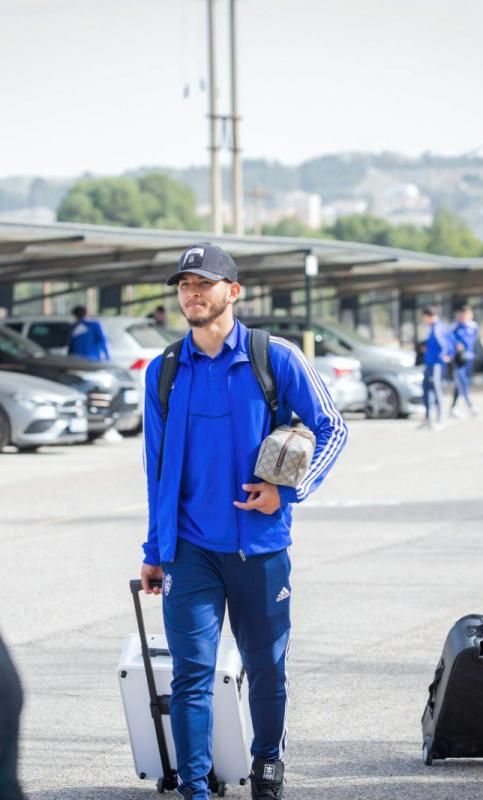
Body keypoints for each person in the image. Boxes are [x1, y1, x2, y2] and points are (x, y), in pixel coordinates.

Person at [139, 243, 347, 800]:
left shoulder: (273, 356)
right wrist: (155, 549)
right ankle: (195, 789)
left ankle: (267, 765)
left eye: (203, 283)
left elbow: (333, 428)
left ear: (233, 291)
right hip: (190, 550)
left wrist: (288, 490)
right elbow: (155, 469)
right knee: (191, 675)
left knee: (266, 668)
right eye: (184, 285)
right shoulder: (164, 371)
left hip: (260, 549)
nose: (192, 293)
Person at [418, 307, 451, 430]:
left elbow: (444, 344)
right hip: (430, 362)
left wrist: (444, 356)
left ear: (428, 316)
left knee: (436, 388)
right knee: (426, 388)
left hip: (435, 363)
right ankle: (428, 418)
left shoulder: (437, 328)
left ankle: (440, 417)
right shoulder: (434, 327)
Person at [449, 305, 479, 417]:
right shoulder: (456, 327)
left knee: (459, 384)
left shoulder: (474, 327)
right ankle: (470, 406)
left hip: (469, 358)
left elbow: (474, 342)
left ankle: (453, 407)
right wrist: (456, 346)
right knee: (462, 382)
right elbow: (449, 339)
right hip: (458, 359)